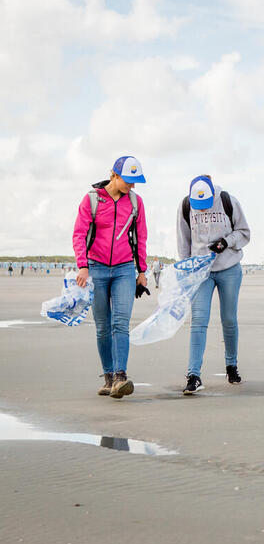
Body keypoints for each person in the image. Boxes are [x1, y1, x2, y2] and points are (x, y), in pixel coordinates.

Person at [72, 156, 149, 398]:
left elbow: (141, 237)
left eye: (136, 182)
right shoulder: (92, 200)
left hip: (125, 269)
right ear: (114, 175)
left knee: (120, 324)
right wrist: (83, 266)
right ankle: (108, 377)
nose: (132, 186)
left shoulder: (136, 203)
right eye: (129, 181)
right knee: (103, 326)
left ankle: (120, 376)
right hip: (96, 268)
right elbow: (79, 234)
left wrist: (142, 271)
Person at [177, 175, 251, 395]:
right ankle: (194, 375)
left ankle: (231, 366)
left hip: (229, 268)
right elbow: (184, 242)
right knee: (198, 320)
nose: (202, 208)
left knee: (228, 319)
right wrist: (185, 274)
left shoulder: (229, 201)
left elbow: (245, 233)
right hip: (201, 272)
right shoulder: (185, 205)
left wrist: (226, 242)